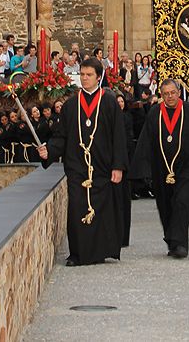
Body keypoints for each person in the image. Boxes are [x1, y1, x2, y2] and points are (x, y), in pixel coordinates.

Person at [38, 56, 127, 267]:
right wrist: (48, 151)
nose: (85, 79)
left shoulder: (109, 102)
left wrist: (118, 165)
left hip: (102, 166)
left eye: (89, 75)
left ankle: (99, 251)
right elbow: (61, 137)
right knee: (78, 206)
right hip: (77, 166)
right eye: (82, 75)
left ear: (99, 77)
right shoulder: (70, 105)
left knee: (100, 208)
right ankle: (77, 253)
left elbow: (118, 136)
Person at [133, 78, 189, 258]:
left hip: (186, 166)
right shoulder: (155, 112)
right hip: (161, 167)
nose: (170, 97)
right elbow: (146, 140)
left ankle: (180, 244)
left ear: (179, 92)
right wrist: (144, 169)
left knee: (182, 202)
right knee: (165, 205)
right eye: (166, 94)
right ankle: (171, 240)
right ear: (161, 95)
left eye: (173, 93)